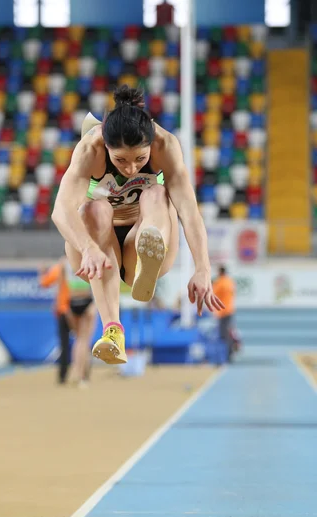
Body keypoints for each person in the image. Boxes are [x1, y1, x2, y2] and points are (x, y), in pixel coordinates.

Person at [51, 85, 224, 365]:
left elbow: (190, 213)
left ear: (151, 145)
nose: (131, 168)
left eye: (140, 159)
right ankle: (112, 332)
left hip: (141, 234)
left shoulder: (165, 146)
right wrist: (88, 247)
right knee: (95, 209)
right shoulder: (89, 149)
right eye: (120, 160)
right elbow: (61, 210)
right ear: (106, 146)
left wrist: (202, 269)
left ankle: (148, 253)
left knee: (157, 193)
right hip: (98, 250)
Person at [40, 257, 96, 387]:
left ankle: (78, 373)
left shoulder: (62, 264)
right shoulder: (87, 257)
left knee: (78, 341)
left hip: (71, 303)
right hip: (85, 300)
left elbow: (56, 284)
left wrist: (63, 306)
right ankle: (83, 375)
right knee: (84, 341)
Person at [212, 265, 236, 361]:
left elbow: (212, 293)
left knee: (223, 334)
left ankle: (226, 354)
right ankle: (230, 352)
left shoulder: (220, 283)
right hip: (229, 309)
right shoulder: (230, 282)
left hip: (222, 311)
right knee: (228, 332)